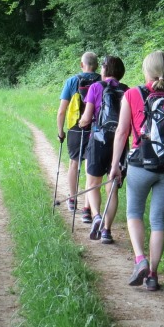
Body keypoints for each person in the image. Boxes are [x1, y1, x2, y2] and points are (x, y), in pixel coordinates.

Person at [109, 51, 164, 291]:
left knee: (134, 213)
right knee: (158, 220)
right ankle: (153, 275)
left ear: (145, 71)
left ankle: (140, 259)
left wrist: (115, 166)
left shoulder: (132, 94)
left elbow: (122, 132)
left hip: (141, 164)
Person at [78, 55, 127, 244]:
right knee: (112, 187)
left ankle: (96, 215)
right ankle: (107, 231)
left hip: (98, 140)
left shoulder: (96, 87)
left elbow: (87, 118)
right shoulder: (127, 91)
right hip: (120, 143)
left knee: (92, 183)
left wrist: (82, 123)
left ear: (104, 70)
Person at [56, 51, 100, 220]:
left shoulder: (72, 81)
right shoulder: (101, 81)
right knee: (90, 166)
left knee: (74, 162)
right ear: (96, 66)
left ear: (82, 65)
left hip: (75, 127)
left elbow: (62, 111)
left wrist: (60, 132)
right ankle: (87, 208)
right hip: (95, 128)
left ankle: (73, 199)